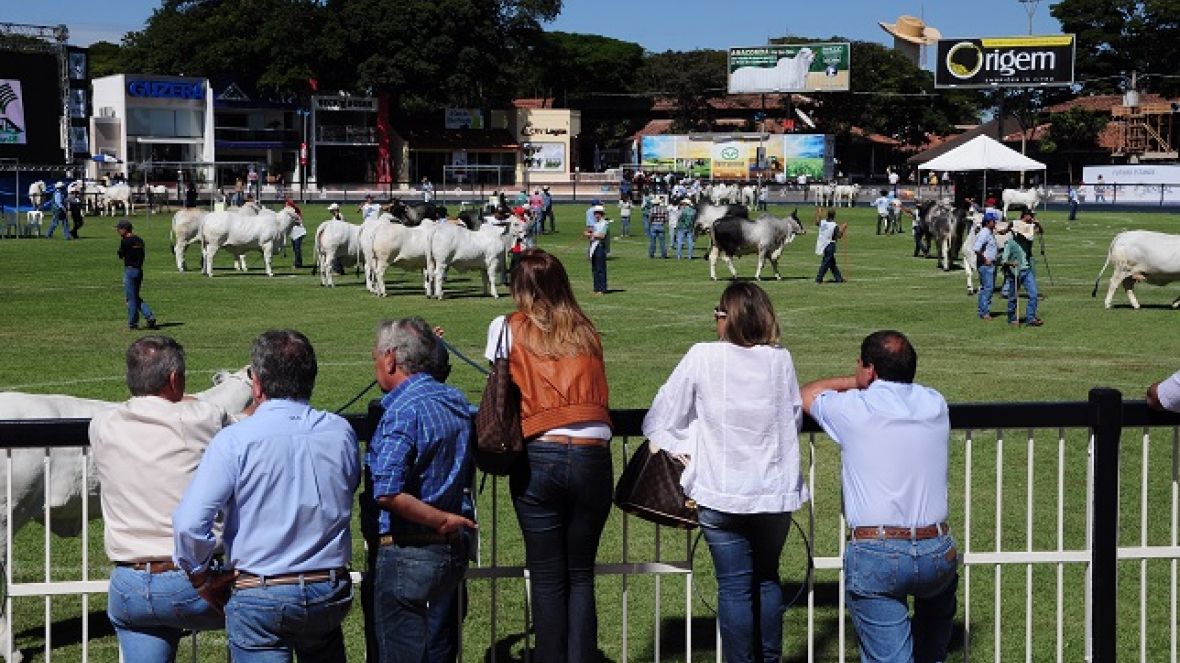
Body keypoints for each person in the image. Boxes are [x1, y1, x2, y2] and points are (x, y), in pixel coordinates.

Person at [643, 282, 809, 663]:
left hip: (721, 488)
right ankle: (768, 657)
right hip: (772, 488)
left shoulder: (703, 356)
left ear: (729, 318)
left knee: (734, 588)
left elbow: (663, 413)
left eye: (718, 313)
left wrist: (684, 444)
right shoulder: (779, 359)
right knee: (767, 579)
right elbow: (792, 416)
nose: (715, 320)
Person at [173, 330, 360, 662]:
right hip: (326, 588)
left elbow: (189, 523)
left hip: (261, 591)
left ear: (256, 384)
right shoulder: (340, 431)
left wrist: (201, 576)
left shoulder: (235, 440)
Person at [484, 249, 612, 663]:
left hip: (541, 450)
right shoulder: (586, 329)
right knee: (581, 575)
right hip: (594, 452)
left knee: (547, 576)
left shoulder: (508, 327)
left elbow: (499, 385)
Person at [800, 331, 958, 663]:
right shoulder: (935, 402)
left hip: (877, 549)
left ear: (870, 370)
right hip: (936, 548)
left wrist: (855, 381)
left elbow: (808, 394)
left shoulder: (857, 405)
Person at [91, 336, 231, 662]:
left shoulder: (102, 425)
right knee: (266, 611)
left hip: (128, 585)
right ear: (173, 379)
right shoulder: (205, 418)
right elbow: (222, 417)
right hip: (192, 582)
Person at [367, 318, 476, 663]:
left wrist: (439, 519)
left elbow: (386, 490)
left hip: (406, 551)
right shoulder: (455, 400)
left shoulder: (401, 409)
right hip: (448, 553)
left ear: (389, 359)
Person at [1001, 211, 1043, 326]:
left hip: (1026, 270)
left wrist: (1038, 224)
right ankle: (1011, 317)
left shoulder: (1027, 242)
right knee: (1013, 297)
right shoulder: (1010, 243)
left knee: (1033, 295)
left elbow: (1040, 232)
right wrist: (1011, 263)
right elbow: (1003, 261)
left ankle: (1031, 318)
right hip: (1014, 272)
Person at [116, 220, 157, 330]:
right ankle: (149, 316)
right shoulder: (139, 240)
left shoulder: (125, 241)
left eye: (119, 229)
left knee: (131, 299)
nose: (117, 231)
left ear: (125, 229)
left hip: (129, 270)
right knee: (135, 296)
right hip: (139, 270)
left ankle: (133, 323)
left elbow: (121, 254)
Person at [973, 213, 999, 320]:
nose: (995, 223)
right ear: (988, 222)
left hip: (988, 264)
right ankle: (985, 312)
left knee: (985, 288)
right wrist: (985, 260)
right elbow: (977, 248)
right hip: (986, 265)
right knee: (988, 289)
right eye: (993, 221)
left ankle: (982, 311)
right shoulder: (985, 233)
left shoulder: (989, 232)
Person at [815, 209, 847, 283]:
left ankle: (839, 279)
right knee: (825, 263)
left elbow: (817, 222)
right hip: (830, 244)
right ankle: (818, 279)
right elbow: (839, 236)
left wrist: (819, 214)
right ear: (834, 216)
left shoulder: (823, 222)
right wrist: (843, 228)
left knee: (832, 264)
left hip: (822, 244)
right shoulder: (834, 225)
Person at [585, 205, 609, 295]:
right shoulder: (595, 224)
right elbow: (593, 235)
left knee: (600, 269)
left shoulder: (605, 224)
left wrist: (592, 234)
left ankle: (602, 289)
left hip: (600, 247)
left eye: (597, 213)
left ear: (601, 214)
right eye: (595, 213)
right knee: (594, 269)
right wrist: (589, 234)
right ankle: (596, 288)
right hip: (593, 247)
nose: (595, 215)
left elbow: (602, 235)